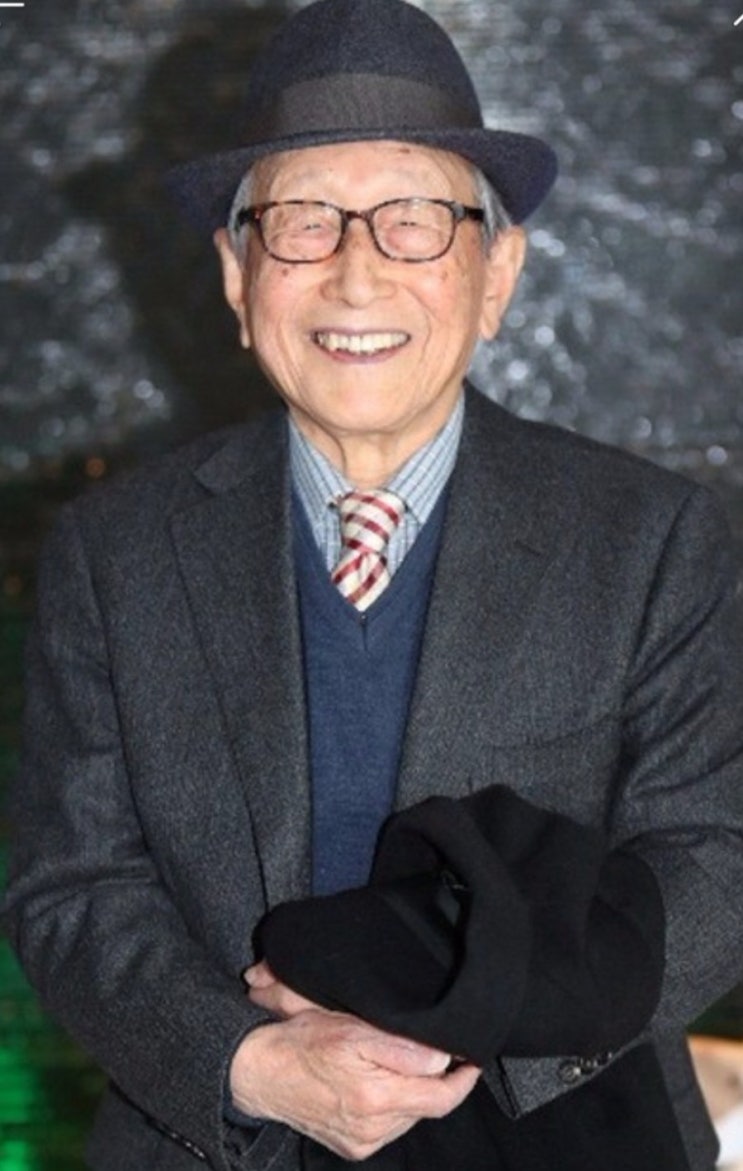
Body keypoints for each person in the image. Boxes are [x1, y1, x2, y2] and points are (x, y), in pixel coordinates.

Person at [3, 1, 743, 1169]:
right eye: (303, 222)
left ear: (496, 274)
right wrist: (249, 1065)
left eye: (413, 221)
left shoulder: (650, 539)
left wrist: (471, 1030)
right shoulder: (113, 554)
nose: (355, 274)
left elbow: (712, 857)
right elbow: (71, 887)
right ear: (237, 274)